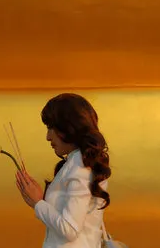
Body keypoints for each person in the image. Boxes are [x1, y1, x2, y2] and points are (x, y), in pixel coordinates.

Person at [15, 93, 112, 248]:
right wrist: (38, 200)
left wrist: (38, 203)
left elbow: (69, 229)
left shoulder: (79, 166)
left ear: (69, 127)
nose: (47, 137)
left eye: (51, 128)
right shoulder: (77, 162)